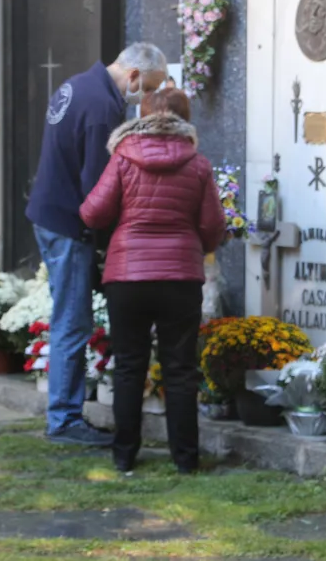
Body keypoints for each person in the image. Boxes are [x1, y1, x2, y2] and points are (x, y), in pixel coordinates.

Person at [26, 43, 168, 446]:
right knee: (72, 322)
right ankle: (65, 420)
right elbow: (97, 187)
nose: (146, 99)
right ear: (135, 77)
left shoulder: (78, 86)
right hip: (68, 223)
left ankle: (64, 413)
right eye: (149, 89)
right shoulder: (102, 107)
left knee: (68, 317)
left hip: (49, 212)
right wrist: (114, 238)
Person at [79, 88, 226, 473]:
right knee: (180, 368)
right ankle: (186, 460)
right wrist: (196, 246)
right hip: (180, 276)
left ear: (139, 116)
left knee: (129, 365)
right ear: (185, 119)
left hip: (127, 275)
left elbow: (93, 213)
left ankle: (124, 456)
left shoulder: (123, 159)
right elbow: (213, 225)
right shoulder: (198, 164)